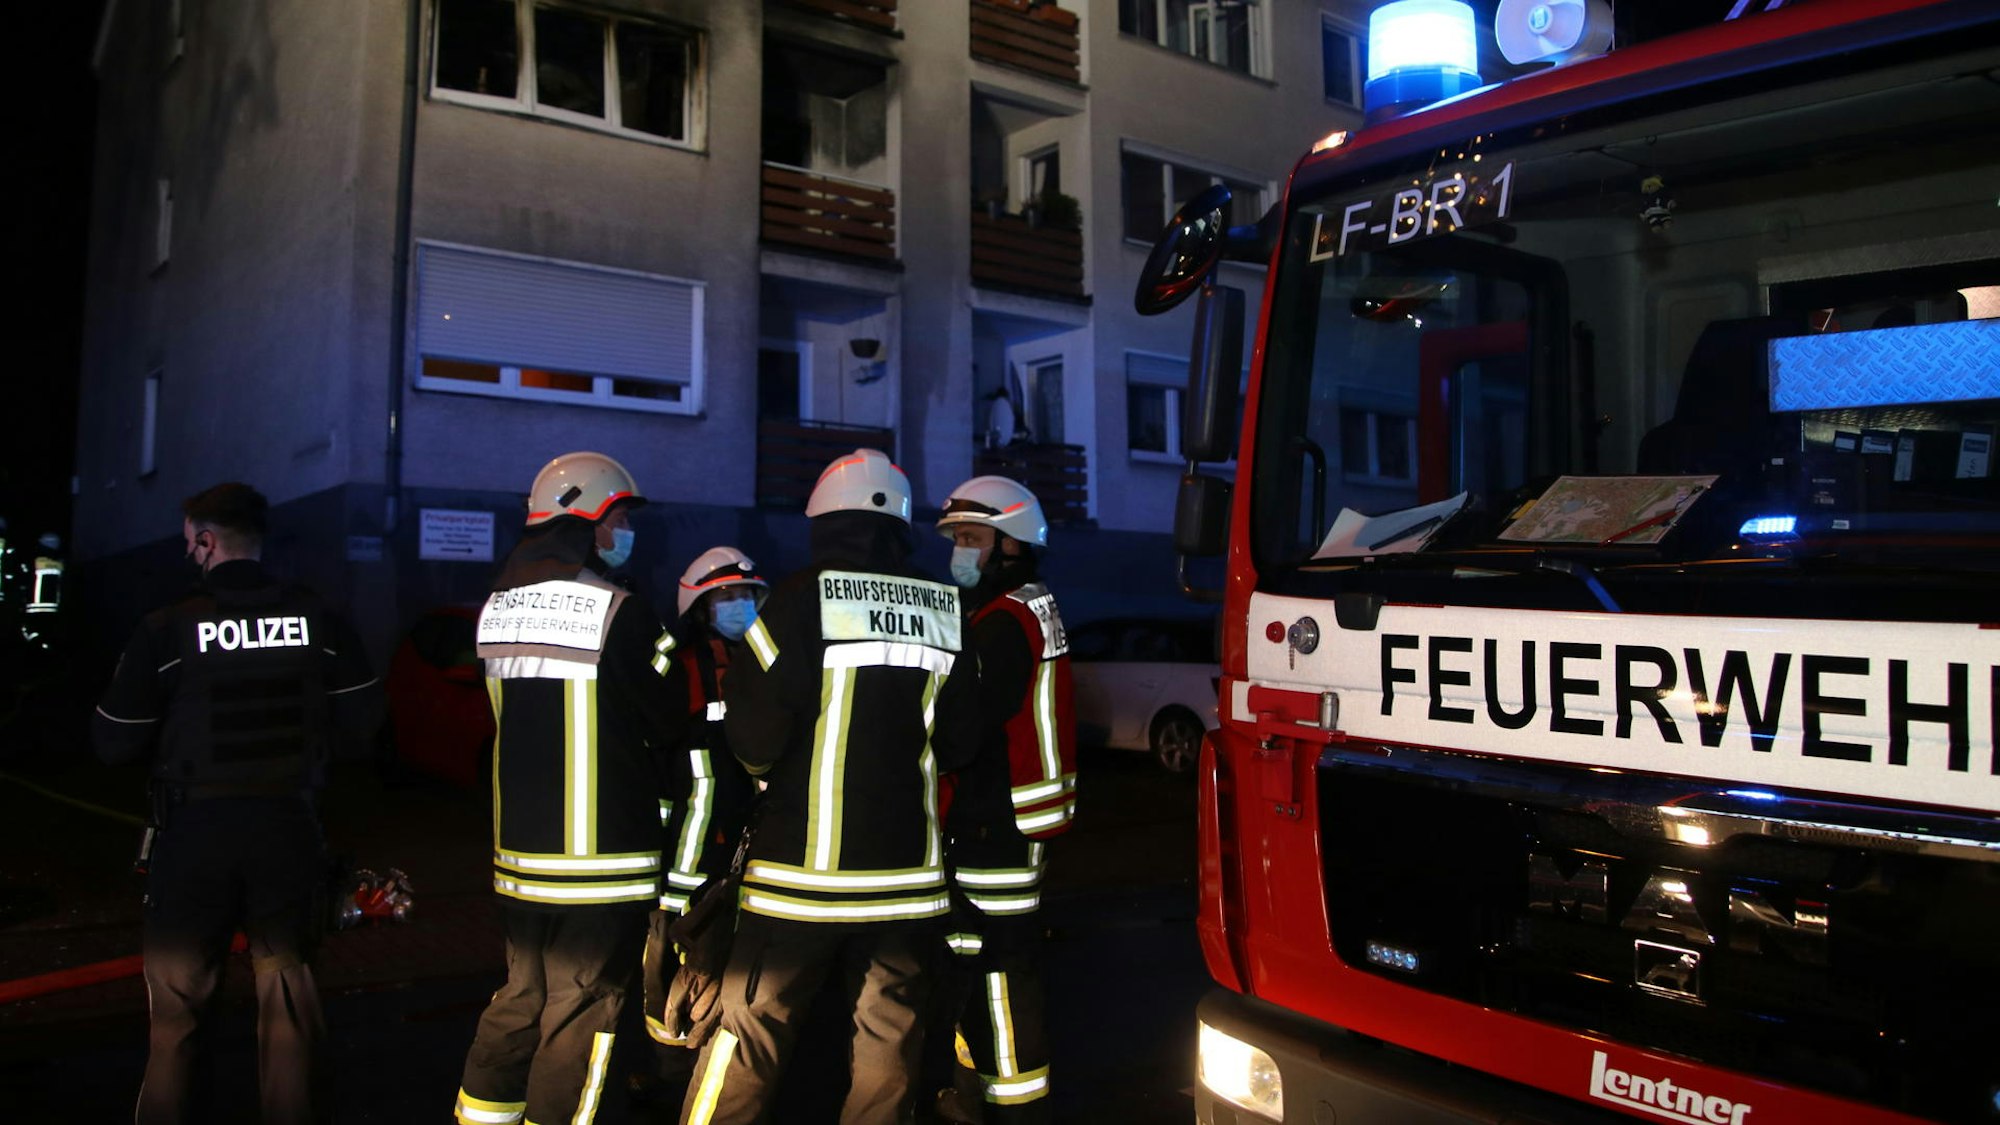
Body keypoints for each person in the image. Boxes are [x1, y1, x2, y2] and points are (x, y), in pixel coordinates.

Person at [680, 448, 981, 1125]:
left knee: (748, 1033)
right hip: (907, 881)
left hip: (798, 877)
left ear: (821, 520)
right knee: (890, 1042)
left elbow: (753, 736)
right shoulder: (946, 608)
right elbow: (962, 740)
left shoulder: (789, 601)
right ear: (900, 523)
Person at [93, 482, 381, 1125]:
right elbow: (365, 725)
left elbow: (112, 741)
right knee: (288, 999)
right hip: (287, 829)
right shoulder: (319, 618)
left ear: (204, 539)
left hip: (194, 835)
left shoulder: (167, 627)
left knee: (178, 1009)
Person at [454, 451, 690, 1125]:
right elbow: (668, 714)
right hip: (598, 862)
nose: (624, 531)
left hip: (520, 860)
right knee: (583, 1011)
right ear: (587, 520)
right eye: (617, 517)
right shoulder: (619, 610)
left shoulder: (494, 609)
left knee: (521, 997)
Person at [929, 475, 1077, 1123]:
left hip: (996, 820)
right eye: (956, 538)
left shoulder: (1001, 623)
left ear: (1011, 542)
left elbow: (966, 732)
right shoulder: (1025, 605)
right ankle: (980, 1082)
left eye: (972, 537)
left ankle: (1012, 1101)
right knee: (981, 956)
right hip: (1018, 817)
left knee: (995, 965)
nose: (960, 550)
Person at [635, 549, 767, 1077]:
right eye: (726, 596)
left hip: (743, 838)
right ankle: (664, 1058)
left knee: (731, 956)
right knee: (667, 952)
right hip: (686, 846)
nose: (740, 606)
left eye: (747, 595)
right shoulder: (680, 661)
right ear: (699, 606)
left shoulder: (762, 660)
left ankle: (708, 1046)